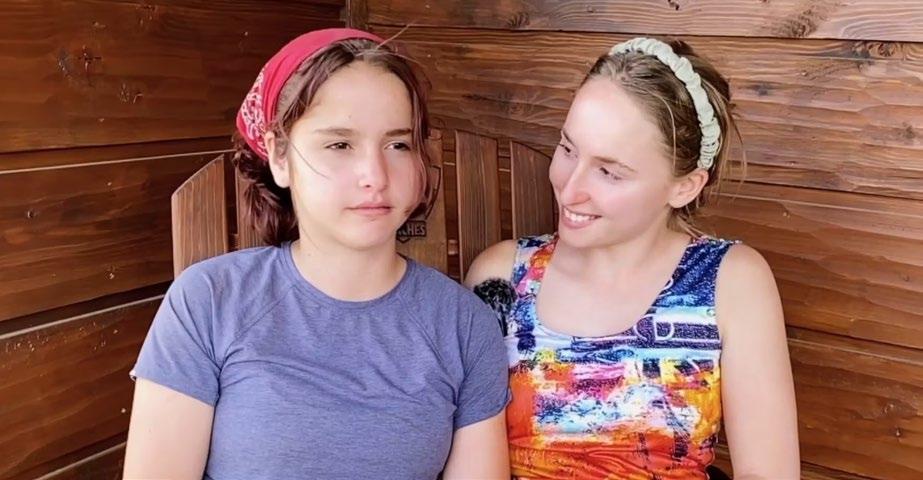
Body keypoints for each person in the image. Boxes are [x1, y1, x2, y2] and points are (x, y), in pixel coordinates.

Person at [124, 28, 510, 480]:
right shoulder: (210, 301)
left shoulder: (464, 326)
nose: (375, 175)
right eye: (339, 144)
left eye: (398, 144)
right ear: (279, 156)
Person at [466, 37, 800, 479]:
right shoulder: (503, 277)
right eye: (568, 149)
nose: (569, 189)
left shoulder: (731, 282)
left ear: (684, 186)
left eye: (609, 172)